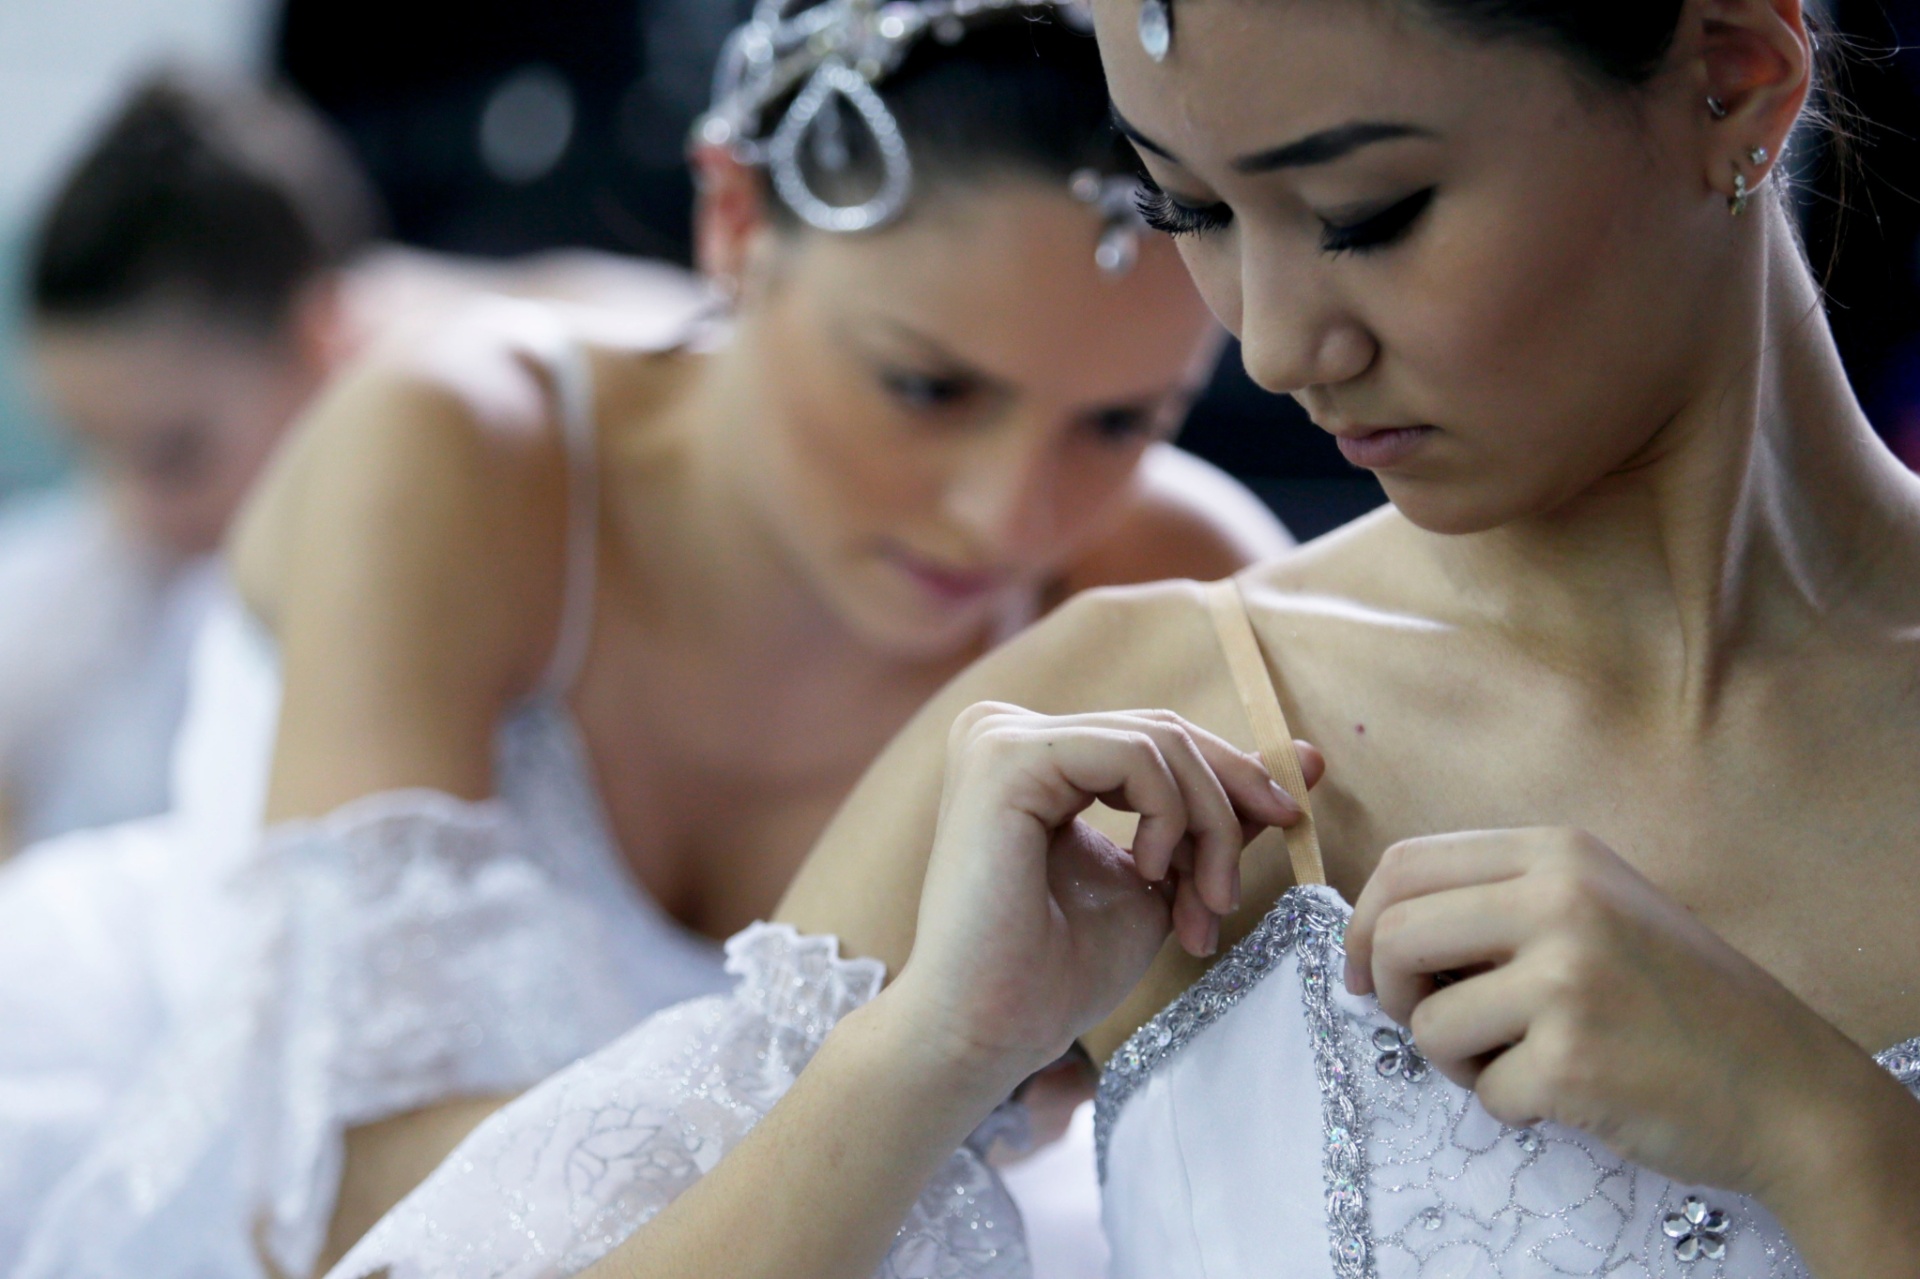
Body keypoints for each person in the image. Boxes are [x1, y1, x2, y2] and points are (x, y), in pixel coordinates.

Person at [325, 0, 1920, 1274]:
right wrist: (925, 1062)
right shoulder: (1134, 721)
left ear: (1730, 82)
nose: (1280, 341)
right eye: (1190, 209)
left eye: (1371, 213)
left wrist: (1833, 1147)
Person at [0, 6, 1291, 1276]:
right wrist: (920, 1079)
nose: (1006, 515)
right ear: (732, 223)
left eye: (1121, 423)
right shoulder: (453, 453)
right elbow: (362, 1218)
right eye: (927, 387)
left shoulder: (1178, 581)